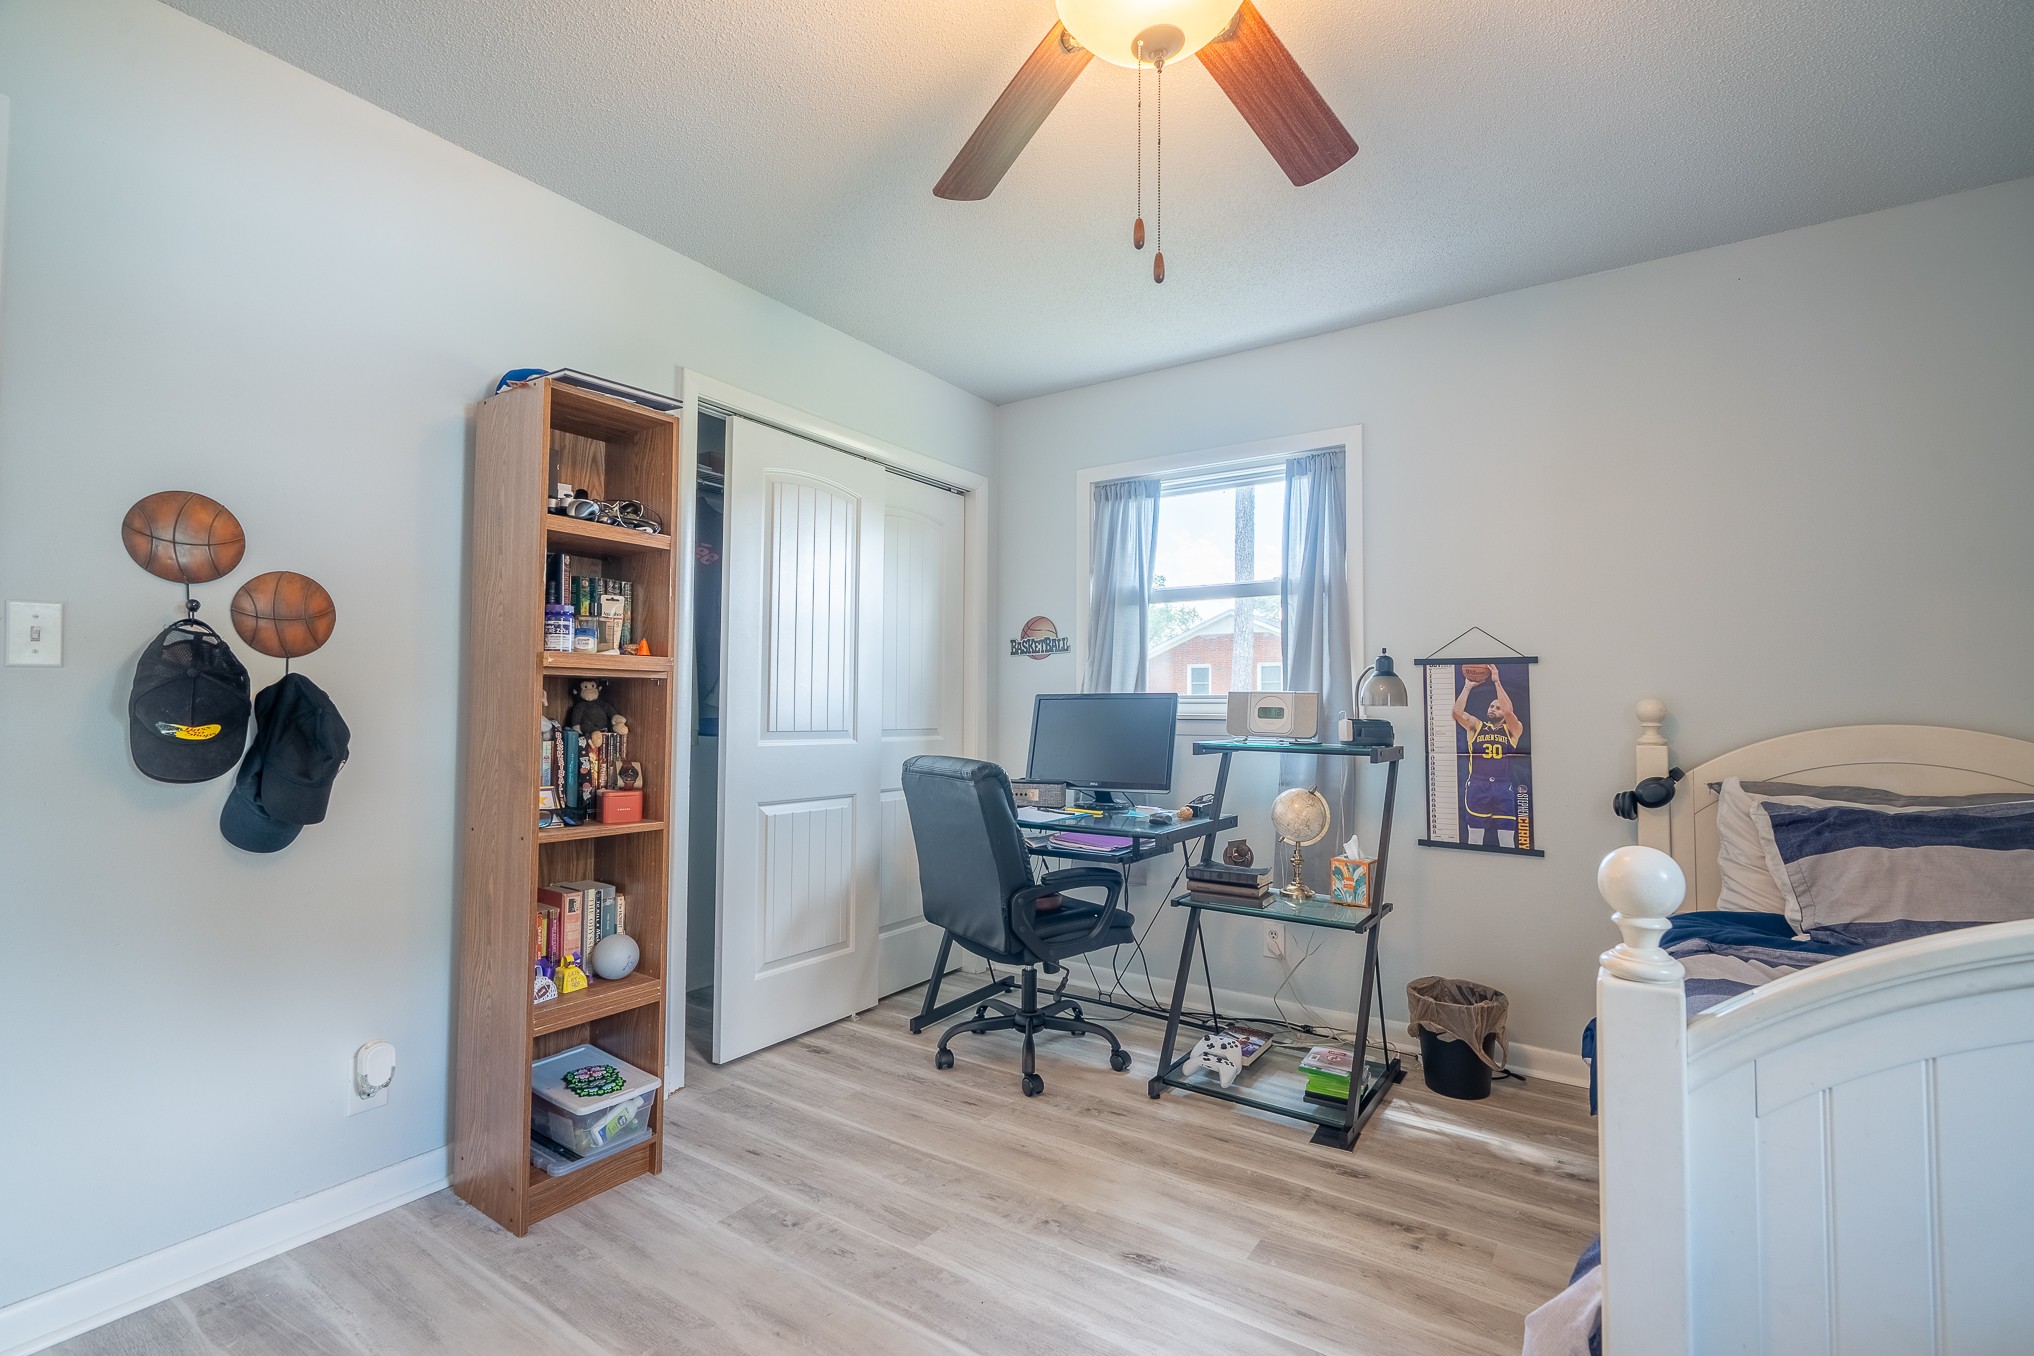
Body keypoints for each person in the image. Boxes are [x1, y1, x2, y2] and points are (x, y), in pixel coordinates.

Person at [1453, 668, 1525, 847]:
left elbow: (1509, 712)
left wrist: (1496, 682)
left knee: (1507, 840)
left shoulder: (1513, 729)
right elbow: (1456, 713)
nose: (1493, 709)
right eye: (1491, 706)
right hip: (1478, 784)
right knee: (1475, 838)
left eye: (1497, 707)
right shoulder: (1476, 726)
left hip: (1502, 786)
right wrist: (1467, 687)